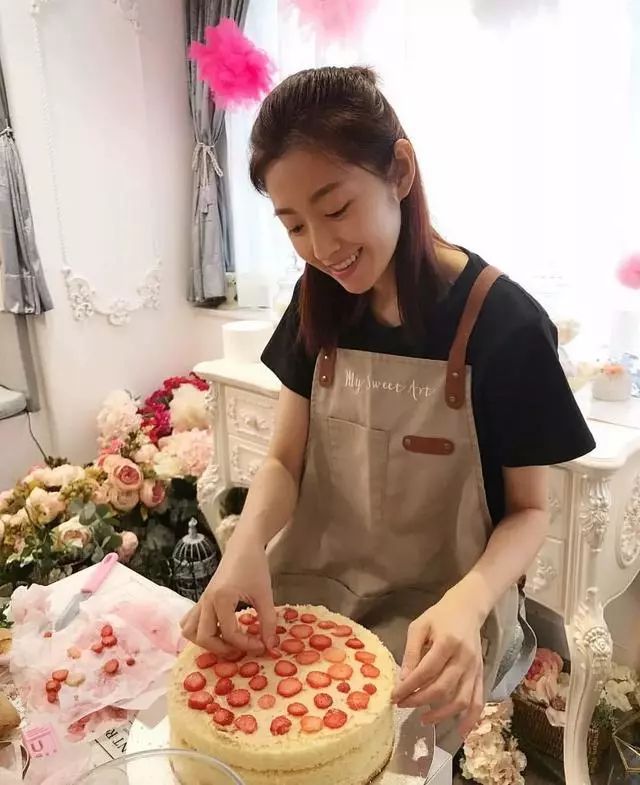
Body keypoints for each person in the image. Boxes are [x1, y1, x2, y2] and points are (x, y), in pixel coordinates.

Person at [181, 66, 595, 746]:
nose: (321, 249)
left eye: (336, 209)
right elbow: (283, 461)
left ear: (399, 171)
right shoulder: (317, 301)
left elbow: (529, 512)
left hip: (442, 613)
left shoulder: (506, 325)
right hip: (315, 591)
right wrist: (246, 544)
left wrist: (469, 602)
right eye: (294, 226)